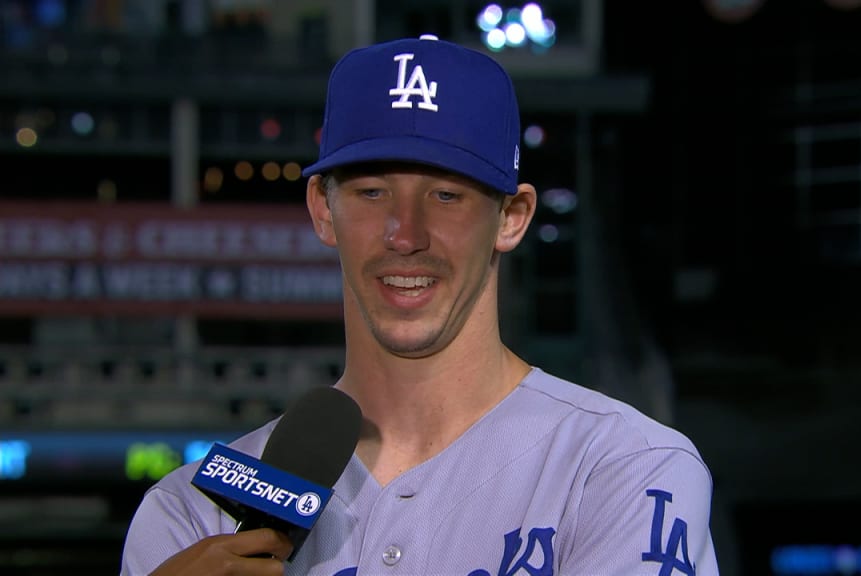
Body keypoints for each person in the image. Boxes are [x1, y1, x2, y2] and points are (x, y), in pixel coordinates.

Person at [120, 34, 719, 575]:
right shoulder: (192, 515)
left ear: (511, 218)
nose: (405, 234)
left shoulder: (623, 469)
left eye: (447, 195)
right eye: (372, 192)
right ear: (323, 210)